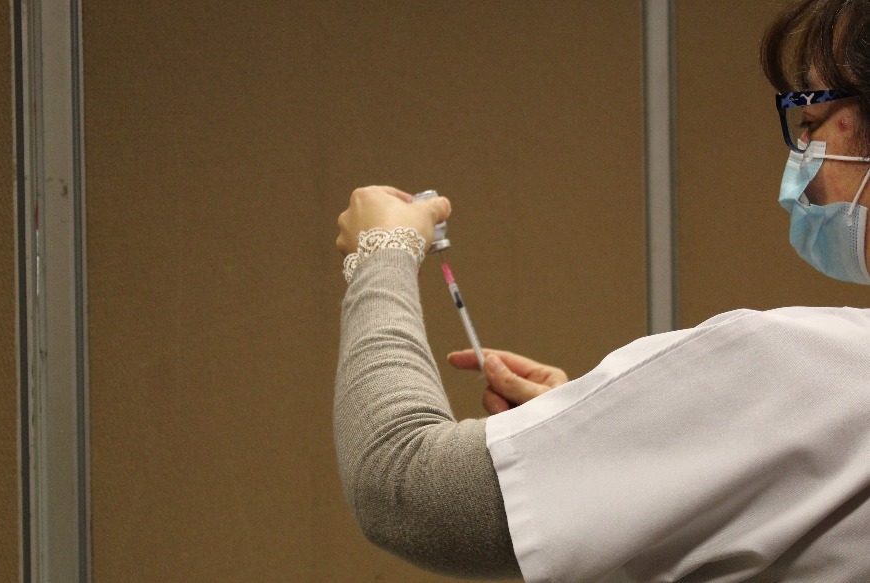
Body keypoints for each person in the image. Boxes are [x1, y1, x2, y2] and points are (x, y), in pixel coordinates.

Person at [334, 0, 870, 581]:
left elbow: (402, 486)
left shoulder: (801, 371)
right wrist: (594, 449)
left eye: (810, 119)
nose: (801, 158)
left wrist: (381, 250)